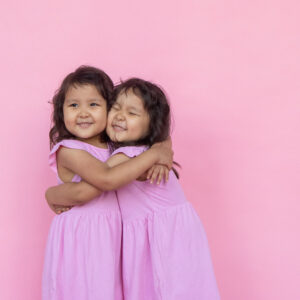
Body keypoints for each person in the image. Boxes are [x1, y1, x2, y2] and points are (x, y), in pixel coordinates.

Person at [42, 68, 173, 300]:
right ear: (61, 113)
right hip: (83, 237)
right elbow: (106, 179)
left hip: (112, 235)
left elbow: (153, 129)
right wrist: (154, 155)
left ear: (109, 109)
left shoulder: (116, 145)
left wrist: (163, 146)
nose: (82, 113)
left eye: (93, 105)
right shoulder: (69, 150)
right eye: (73, 106)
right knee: (83, 291)